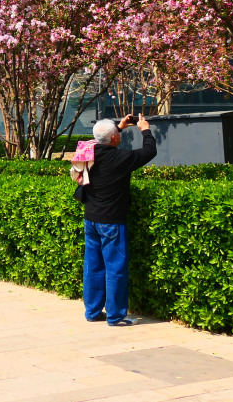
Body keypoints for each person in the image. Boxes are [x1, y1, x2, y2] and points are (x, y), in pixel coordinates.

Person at [72, 114, 156, 327]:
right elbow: (149, 151)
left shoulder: (87, 153)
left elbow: (100, 139)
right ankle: (116, 316)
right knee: (115, 268)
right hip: (112, 221)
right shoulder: (120, 159)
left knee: (93, 266)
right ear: (114, 139)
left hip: (90, 218)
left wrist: (117, 127)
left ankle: (92, 312)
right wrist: (144, 129)